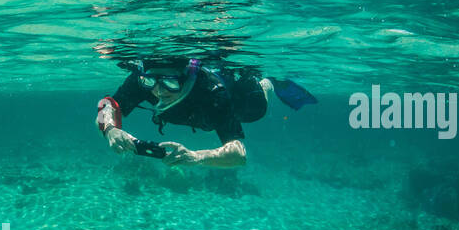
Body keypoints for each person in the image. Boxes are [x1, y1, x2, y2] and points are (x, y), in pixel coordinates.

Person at [94, 58, 315, 167]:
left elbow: (239, 154)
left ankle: (269, 83)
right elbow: (107, 104)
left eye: (170, 83)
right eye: (151, 81)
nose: (159, 91)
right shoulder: (144, 81)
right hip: (199, 116)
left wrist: (196, 157)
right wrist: (111, 130)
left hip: (238, 99)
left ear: (185, 77)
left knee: (256, 109)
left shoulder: (211, 93)